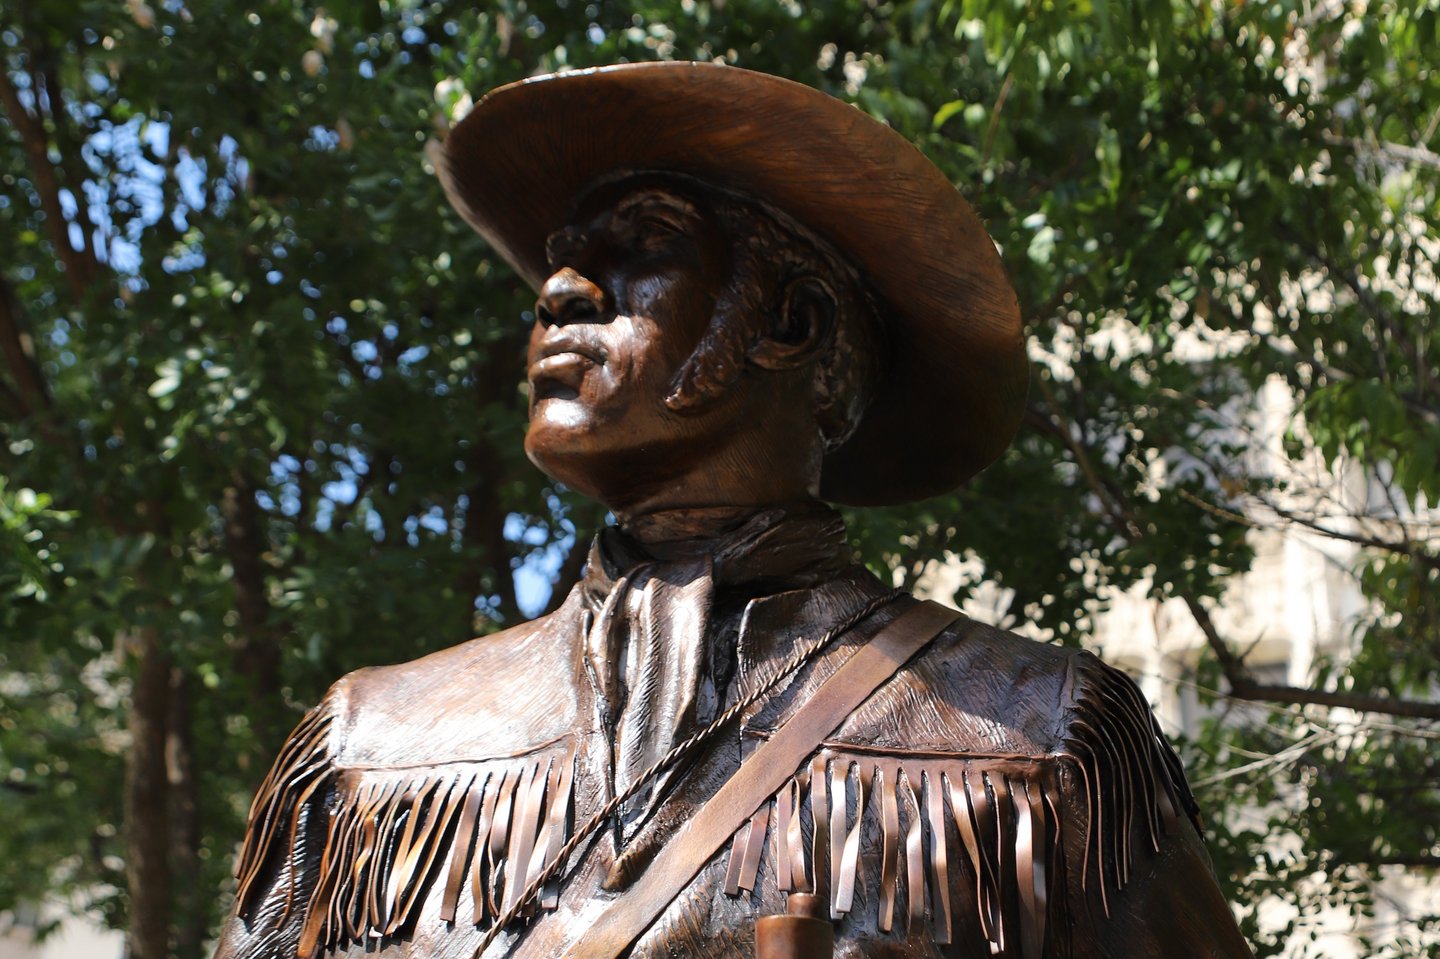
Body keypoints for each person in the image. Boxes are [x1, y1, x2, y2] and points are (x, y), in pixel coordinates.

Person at [214, 62, 1253, 959]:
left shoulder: (1038, 738)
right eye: (560, 257)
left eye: (643, 243)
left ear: (792, 323)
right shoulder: (370, 751)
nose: (562, 289)